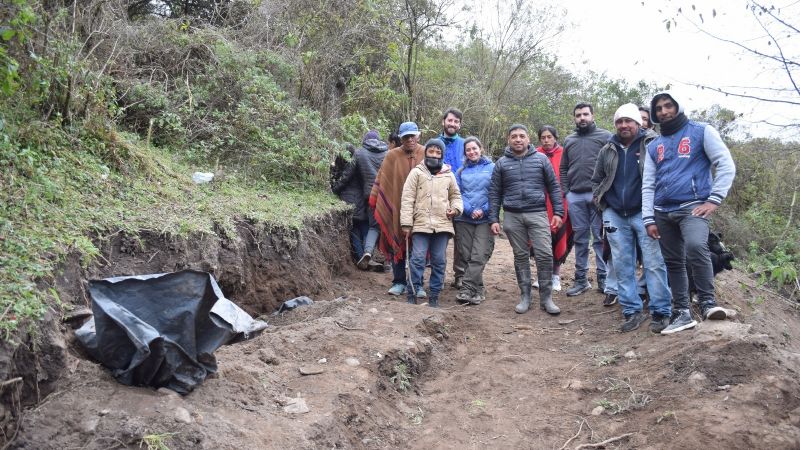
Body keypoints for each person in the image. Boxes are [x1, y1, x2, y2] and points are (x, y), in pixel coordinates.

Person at [643, 91, 736, 334]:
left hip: (692, 206)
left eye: (668, 106)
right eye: (659, 109)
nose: (664, 112)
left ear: (678, 106)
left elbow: (725, 164)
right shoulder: (655, 145)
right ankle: (682, 312)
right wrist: (648, 217)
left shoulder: (701, 131)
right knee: (673, 261)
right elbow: (648, 184)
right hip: (662, 211)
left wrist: (714, 200)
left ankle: (707, 303)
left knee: (696, 246)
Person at [591, 103, 673, 333]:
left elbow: (665, 175)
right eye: (620, 121)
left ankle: (661, 311)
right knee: (622, 263)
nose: (624, 125)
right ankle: (631, 310)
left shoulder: (653, 144)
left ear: (639, 123)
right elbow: (596, 179)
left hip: (645, 213)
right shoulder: (608, 148)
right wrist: (601, 203)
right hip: (615, 213)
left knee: (654, 262)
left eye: (629, 121)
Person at [489, 124, 564, 315]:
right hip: (512, 216)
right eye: (514, 136)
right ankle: (525, 296)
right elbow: (495, 192)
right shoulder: (501, 164)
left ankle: (546, 298)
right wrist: (494, 218)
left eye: (522, 136)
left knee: (545, 255)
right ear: (508, 140)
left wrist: (558, 212)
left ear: (528, 139)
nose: (518, 139)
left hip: (538, 213)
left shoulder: (541, 160)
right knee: (521, 256)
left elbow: (554, 187)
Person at [400, 138, 463, 308]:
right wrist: (406, 223)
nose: (434, 155)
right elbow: (407, 198)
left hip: (442, 224)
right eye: (431, 151)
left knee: (439, 260)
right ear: (426, 152)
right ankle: (412, 292)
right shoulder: (417, 173)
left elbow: (456, 196)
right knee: (418, 258)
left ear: (442, 155)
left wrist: (456, 209)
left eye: (438, 152)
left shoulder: (449, 174)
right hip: (420, 223)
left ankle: (434, 295)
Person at [560, 102, 612, 297]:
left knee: (599, 238)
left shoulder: (605, 137)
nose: (582, 118)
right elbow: (563, 168)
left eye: (585, 114)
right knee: (580, 238)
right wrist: (567, 192)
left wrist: (604, 191)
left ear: (592, 115)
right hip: (575, 196)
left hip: (597, 196)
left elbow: (612, 166)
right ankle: (581, 280)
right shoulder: (570, 140)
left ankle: (603, 279)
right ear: (574, 118)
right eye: (578, 115)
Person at [370, 122, 426, 297]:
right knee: (396, 243)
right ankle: (399, 281)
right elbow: (383, 181)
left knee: (420, 247)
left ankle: (418, 284)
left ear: (419, 135)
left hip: (421, 209)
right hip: (397, 208)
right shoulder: (391, 156)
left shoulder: (426, 152)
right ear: (400, 138)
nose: (410, 139)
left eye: (413, 136)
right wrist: (377, 200)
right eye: (406, 136)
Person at [454, 137, 495, 304]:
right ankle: (478, 290)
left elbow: (496, 191)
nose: (471, 152)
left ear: (481, 148)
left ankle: (466, 288)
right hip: (465, 218)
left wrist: (484, 209)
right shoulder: (460, 172)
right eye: (468, 150)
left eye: (474, 148)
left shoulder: (493, 168)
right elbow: (457, 193)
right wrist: (470, 209)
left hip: (485, 219)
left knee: (479, 254)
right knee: (466, 254)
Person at [535, 126, 573, 292]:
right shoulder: (535, 153)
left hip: (561, 202)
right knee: (540, 239)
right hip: (539, 203)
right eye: (543, 137)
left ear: (555, 137)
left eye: (549, 137)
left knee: (559, 238)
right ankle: (542, 275)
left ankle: (556, 276)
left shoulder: (565, 153)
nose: (546, 140)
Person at [350, 130, 389, 270]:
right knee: (386, 227)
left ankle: (367, 252)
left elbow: (351, 174)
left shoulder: (360, 153)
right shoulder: (388, 153)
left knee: (373, 226)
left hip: (369, 195)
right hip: (385, 195)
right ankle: (389, 260)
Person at [438, 108, 468, 290]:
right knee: (439, 240)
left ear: (459, 125)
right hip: (439, 199)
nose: (453, 124)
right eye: (450, 120)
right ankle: (438, 276)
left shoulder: (465, 144)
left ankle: (460, 275)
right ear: (444, 121)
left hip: (461, 199)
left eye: (456, 122)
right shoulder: (433, 143)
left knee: (461, 242)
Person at [331, 144, 368, 262]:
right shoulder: (361, 164)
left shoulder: (342, 166)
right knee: (365, 227)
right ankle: (369, 253)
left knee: (354, 230)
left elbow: (340, 181)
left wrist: (334, 190)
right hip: (362, 199)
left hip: (348, 200)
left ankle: (360, 257)